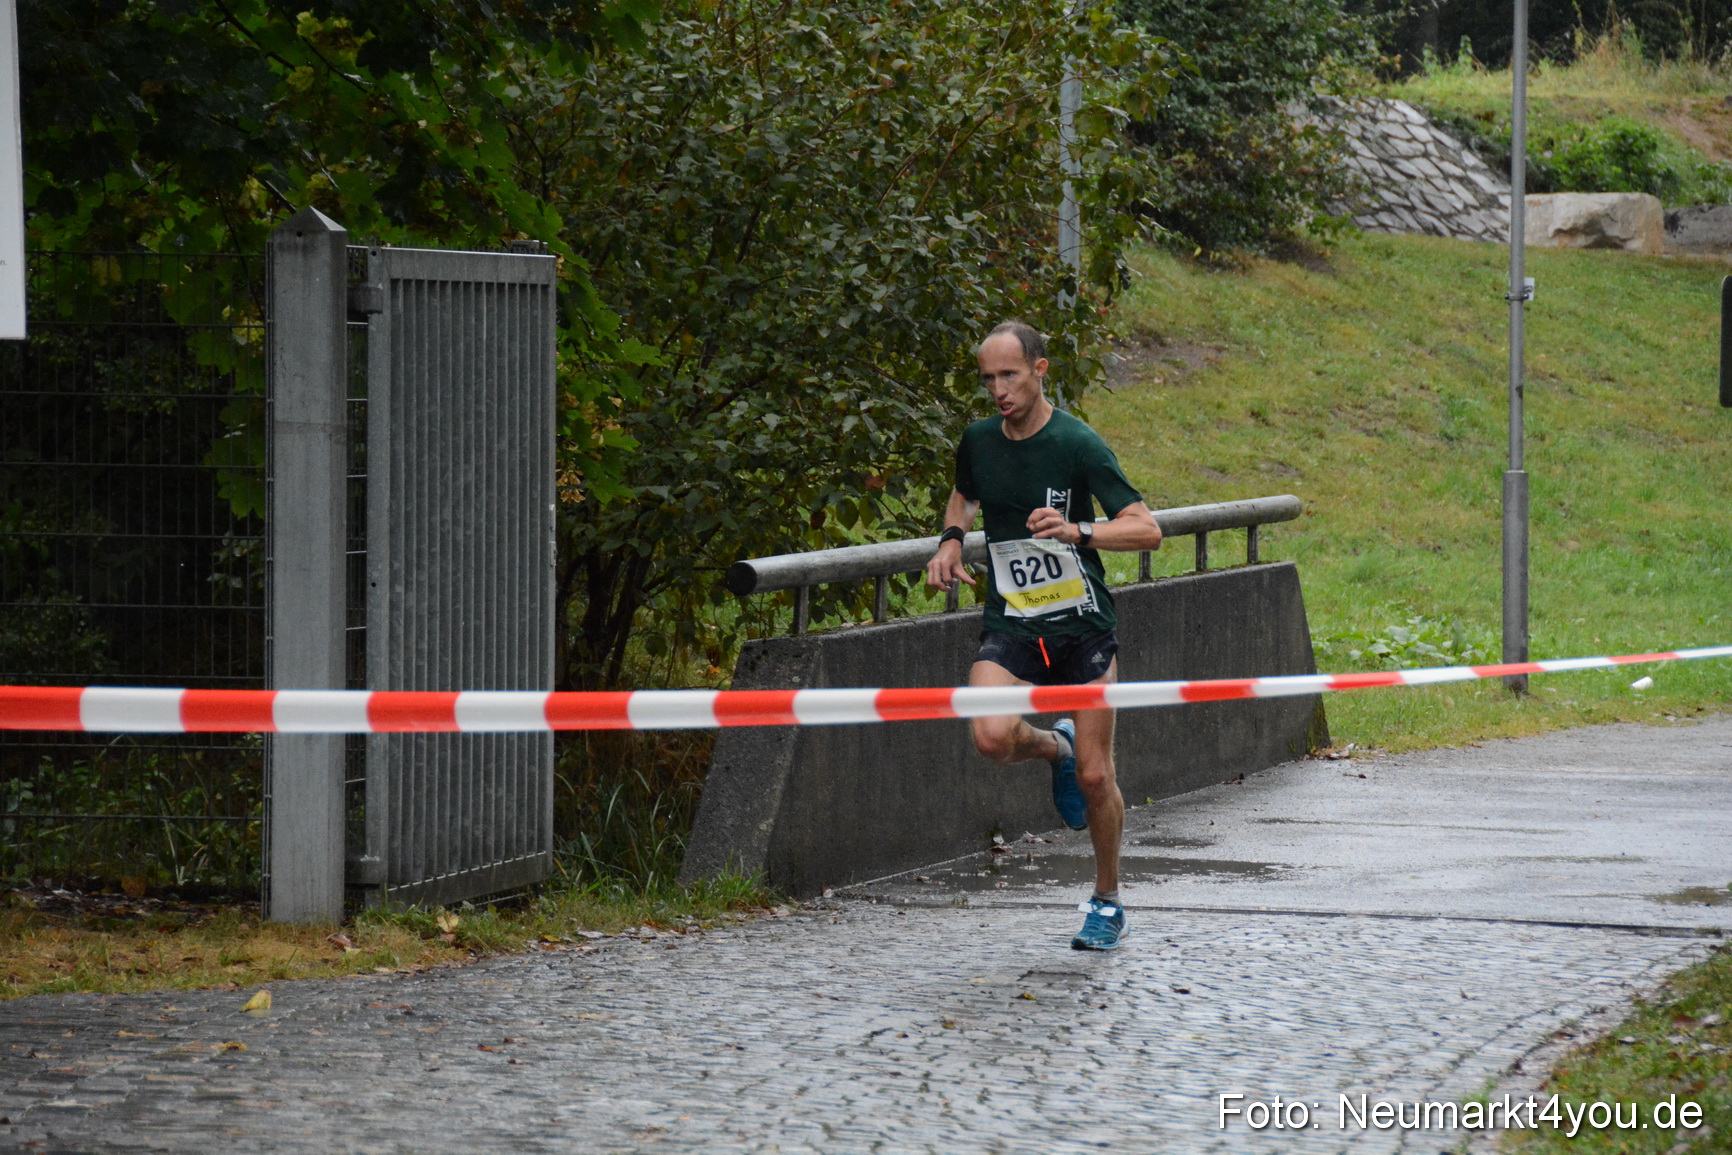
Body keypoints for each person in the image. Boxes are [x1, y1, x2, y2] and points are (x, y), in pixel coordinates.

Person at [924, 320, 1162, 950]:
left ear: (1040, 370)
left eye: (1010, 375)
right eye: (988, 379)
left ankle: (1107, 901)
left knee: (1094, 775)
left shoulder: (1077, 443)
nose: (998, 390)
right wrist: (951, 541)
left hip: (1082, 627)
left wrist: (1079, 531)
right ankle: (1051, 747)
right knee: (990, 736)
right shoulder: (978, 440)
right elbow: (962, 497)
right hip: (1014, 620)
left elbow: (1146, 529)